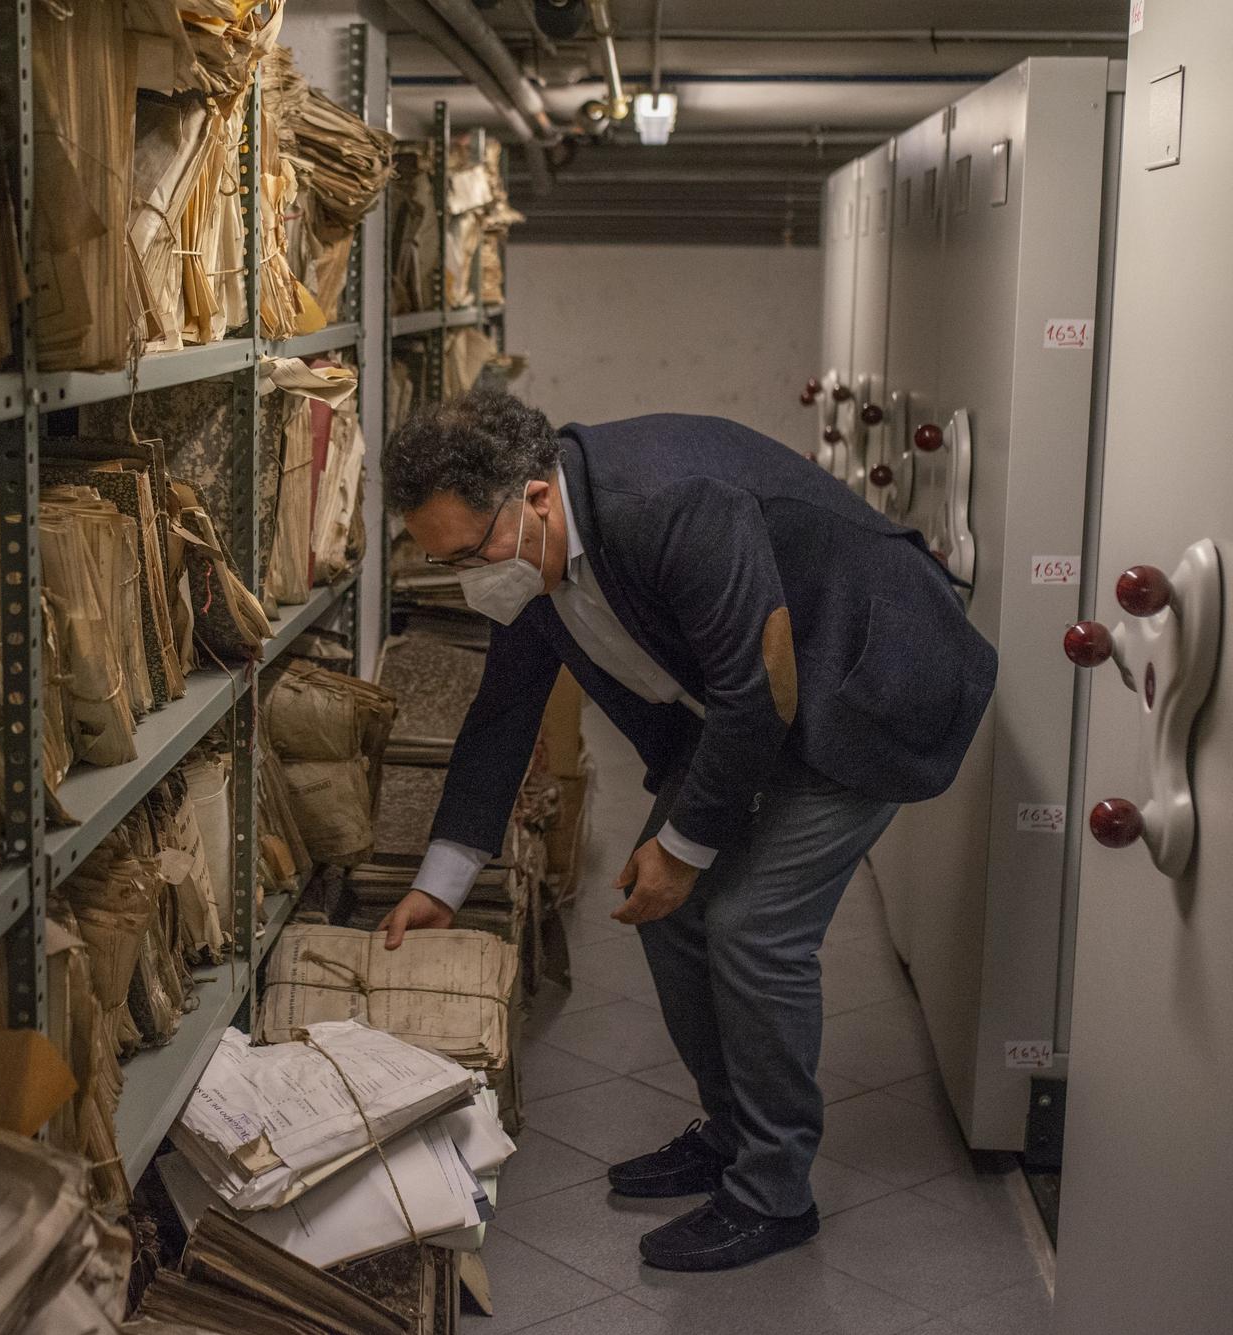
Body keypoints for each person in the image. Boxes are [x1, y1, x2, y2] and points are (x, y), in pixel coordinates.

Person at [379, 391, 995, 1272]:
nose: (472, 580)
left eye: (472, 553)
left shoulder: (666, 502)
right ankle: (737, 1134)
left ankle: (775, 1193)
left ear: (537, 497)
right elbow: (504, 709)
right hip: (762, 705)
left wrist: (683, 849)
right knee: (661, 907)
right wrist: (440, 884)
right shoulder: (531, 552)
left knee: (751, 926)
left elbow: (758, 686)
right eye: (447, 562)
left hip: (868, 683)